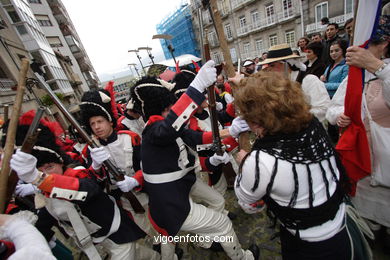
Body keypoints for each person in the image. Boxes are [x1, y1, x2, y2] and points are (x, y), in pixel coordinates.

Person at [230, 70, 371, 260]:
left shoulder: (259, 162)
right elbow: (272, 96)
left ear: (255, 123)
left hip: (307, 247)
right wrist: (245, 84)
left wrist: (245, 163)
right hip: (342, 230)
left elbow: (249, 204)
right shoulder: (312, 125)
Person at [131, 60, 259, 259]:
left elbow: (197, 139)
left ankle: (204, 240)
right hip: (170, 202)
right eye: (168, 109)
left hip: (182, 185)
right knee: (221, 224)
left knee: (217, 200)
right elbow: (170, 126)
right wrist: (196, 87)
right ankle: (242, 257)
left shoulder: (166, 129)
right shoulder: (154, 130)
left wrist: (230, 132)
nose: (172, 111)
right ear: (158, 111)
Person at [7, 111, 153, 260]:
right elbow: (42, 225)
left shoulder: (128, 138)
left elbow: (87, 187)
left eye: (49, 167)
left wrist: (135, 180)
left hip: (134, 208)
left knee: (161, 233)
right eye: (92, 123)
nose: (97, 127)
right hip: (108, 229)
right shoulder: (47, 191)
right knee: (147, 249)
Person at [327, 15, 390, 252]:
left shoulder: (384, 69)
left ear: (384, 44)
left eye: (368, 47)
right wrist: (338, 116)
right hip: (361, 158)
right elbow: (332, 107)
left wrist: (377, 67)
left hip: (387, 156)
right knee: (368, 219)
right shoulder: (355, 76)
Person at [259, 43, 330, 125]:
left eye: (272, 65)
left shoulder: (309, 80)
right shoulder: (278, 84)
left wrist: (296, 119)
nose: (269, 70)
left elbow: (323, 108)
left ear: (285, 64)